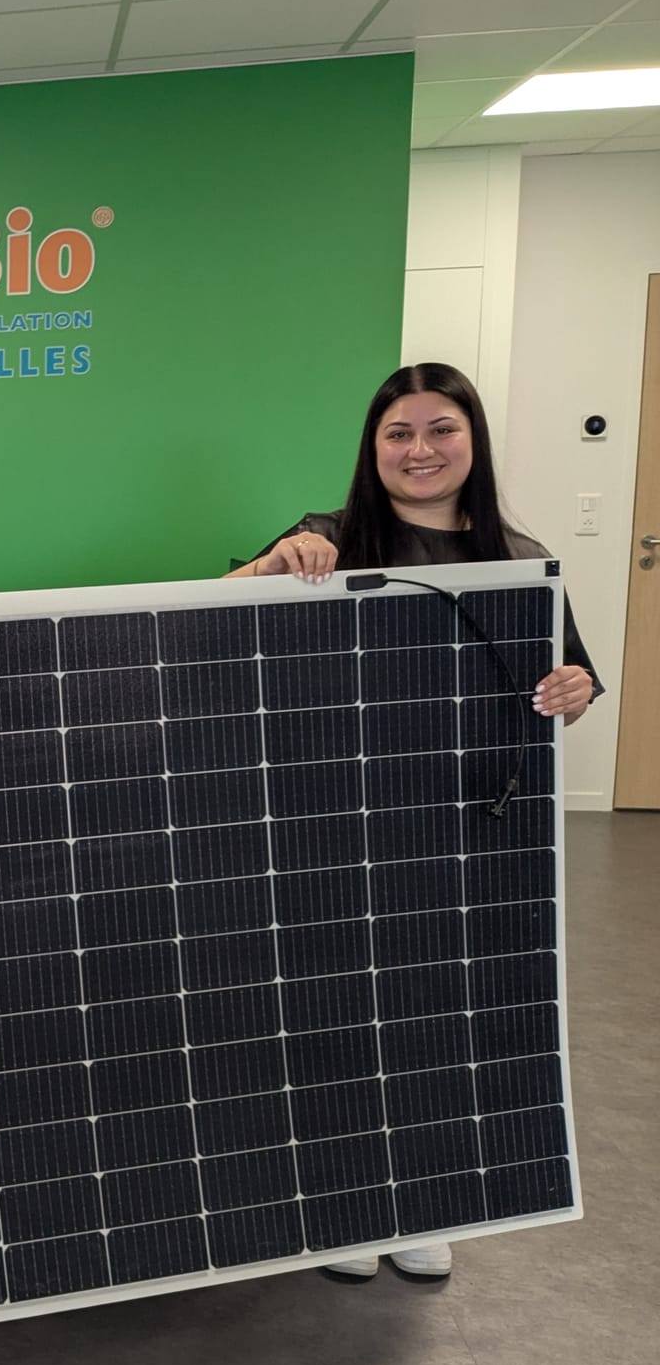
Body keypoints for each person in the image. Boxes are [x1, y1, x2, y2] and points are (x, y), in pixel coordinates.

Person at [229, 360, 603, 1281]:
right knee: (340, 1012)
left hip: (463, 828)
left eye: (442, 429)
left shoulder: (518, 559)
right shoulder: (327, 538)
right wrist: (271, 565)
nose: (420, 449)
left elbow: (568, 681)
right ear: (374, 447)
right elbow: (212, 614)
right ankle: (351, 1206)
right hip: (336, 825)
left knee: (440, 1014)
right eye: (399, 432)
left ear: (473, 441)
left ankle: (424, 1204)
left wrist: (574, 689)